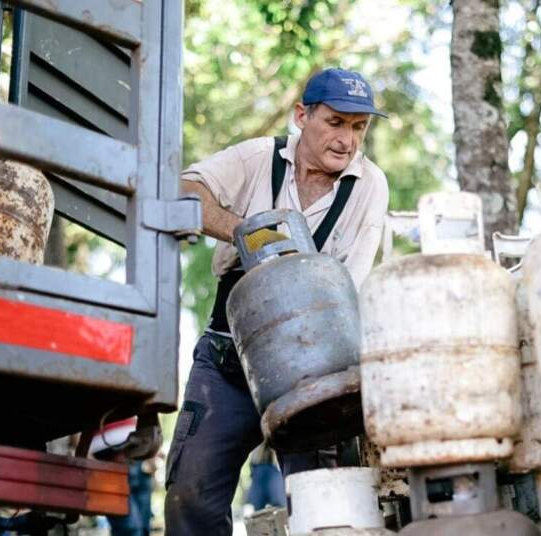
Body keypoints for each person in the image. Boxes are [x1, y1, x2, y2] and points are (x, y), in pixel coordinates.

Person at [164, 67, 389, 536]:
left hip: (316, 366)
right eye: (335, 122)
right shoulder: (258, 157)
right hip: (227, 358)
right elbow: (185, 190)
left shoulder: (369, 186)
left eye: (358, 127)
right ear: (301, 115)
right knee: (190, 494)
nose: (347, 140)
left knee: (329, 506)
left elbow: (350, 285)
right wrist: (249, 232)